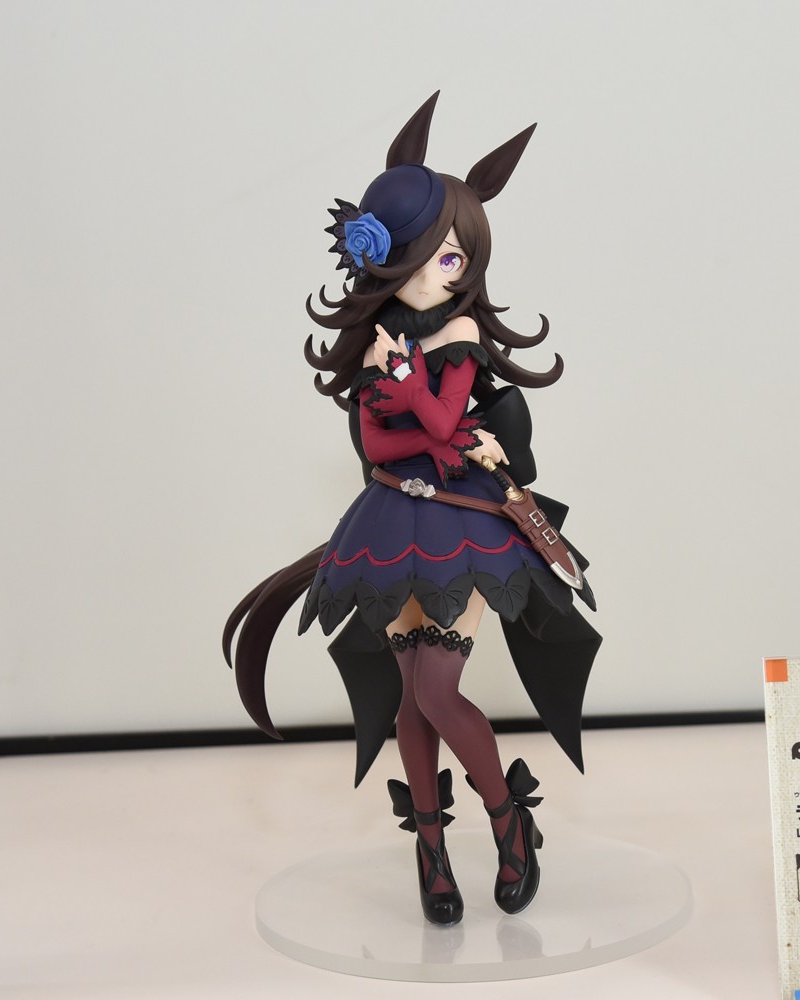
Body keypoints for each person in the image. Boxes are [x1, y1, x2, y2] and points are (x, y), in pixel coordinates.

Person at [224, 93, 600, 925]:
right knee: (407, 696)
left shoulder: (457, 337)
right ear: (392, 256)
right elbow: (381, 442)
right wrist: (423, 420)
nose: (445, 272)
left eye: (457, 258)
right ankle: (431, 849)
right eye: (432, 255)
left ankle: (507, 818)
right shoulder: (380, 340)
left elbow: (433, 419)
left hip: (463, 526)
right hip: (393, 518)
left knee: (436, 687)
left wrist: (414, 400)